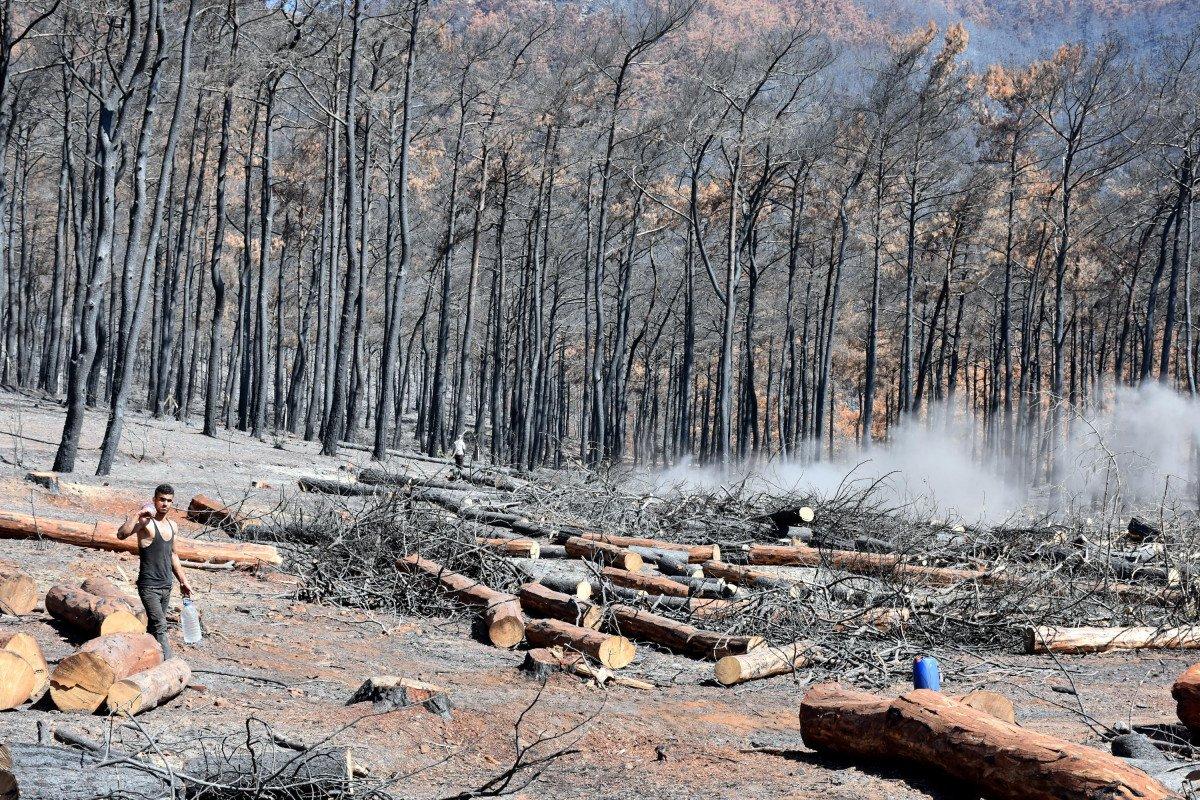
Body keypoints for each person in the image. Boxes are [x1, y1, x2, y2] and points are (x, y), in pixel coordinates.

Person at [116, 484, 194, 658]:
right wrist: (137, 515)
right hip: (149, 586)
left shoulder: (173, 526)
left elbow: (173, 555)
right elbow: (121, 534)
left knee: (153, 627)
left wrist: (183, 581)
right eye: (161, 500)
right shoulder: (146, 523)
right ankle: (168, 663)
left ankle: (147, 661)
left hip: (167, 585)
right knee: (160, 624)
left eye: (169, 501)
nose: (165, 504)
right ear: (154, 500)